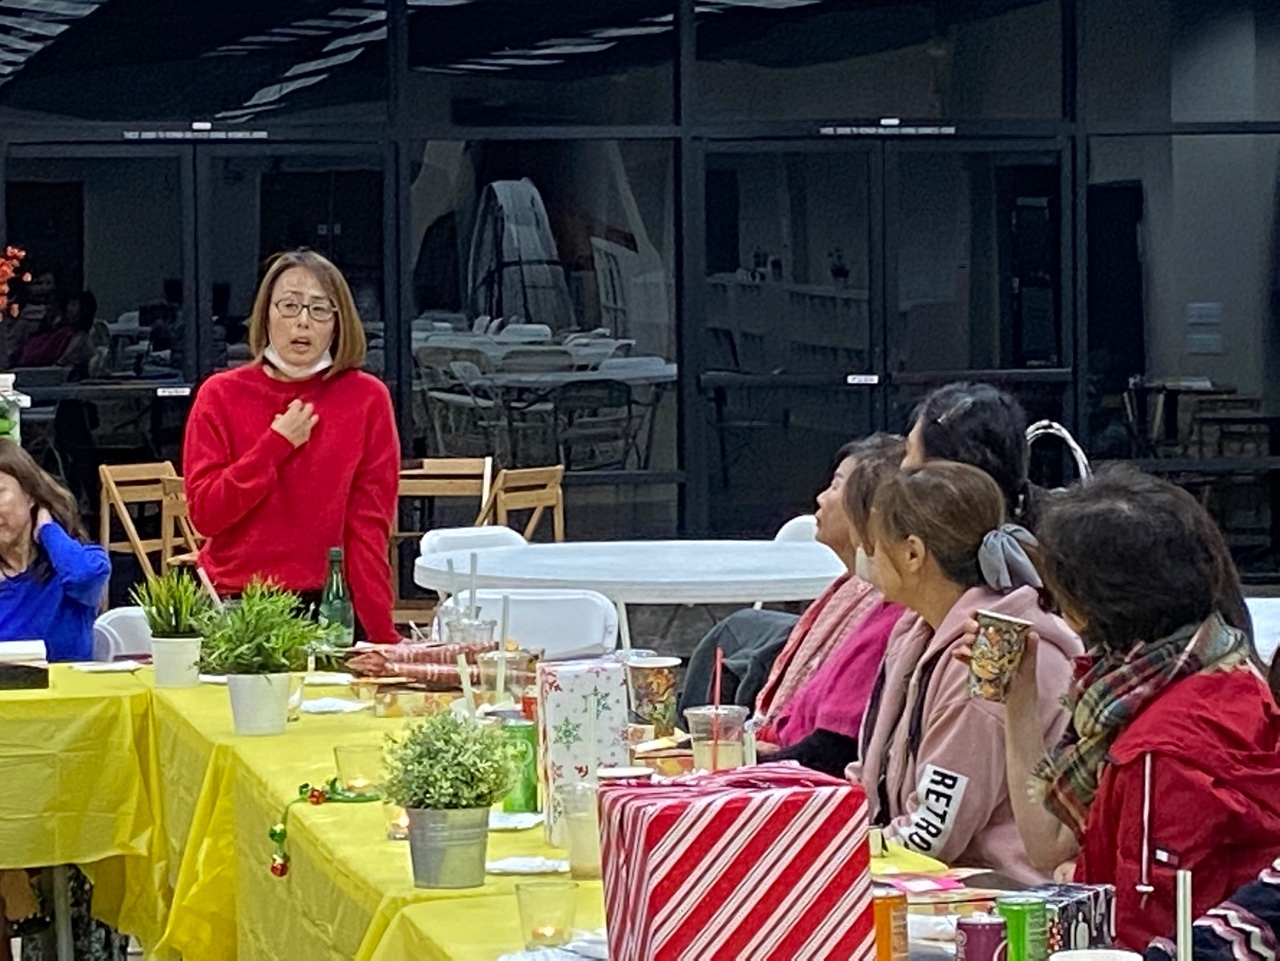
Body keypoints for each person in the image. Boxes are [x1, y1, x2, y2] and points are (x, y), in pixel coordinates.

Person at [984, 466, 1280, 949]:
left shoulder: (1158, 748)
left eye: (1056, 589)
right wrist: (1020, 698)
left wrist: (1083, 880)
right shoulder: (1224, 670)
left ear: (1091, 602)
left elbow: (1144, 932)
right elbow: (1048, 847)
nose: (1051, 604)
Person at [851, 460, 1082, 883]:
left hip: (998, 893)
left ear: (912, 554)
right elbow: (871, 777)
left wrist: (837, 853)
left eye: (874, 544)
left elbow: (934, 835)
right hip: (930, 875)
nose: (867, 556)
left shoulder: (989, 651)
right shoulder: (916, 630)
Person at [183, 249, 401, 642]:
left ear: (338, 322)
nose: (303, 321)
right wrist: (275, 445)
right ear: (266, 314)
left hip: (328, 605)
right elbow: (207, 515)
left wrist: (382, 634)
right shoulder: (220, 395)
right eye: (289, 305)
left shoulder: (367, 399)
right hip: (236, 602)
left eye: (320, 309)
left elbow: (368, 527)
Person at [680, 436, 893, 715]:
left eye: (836, 486)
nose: (820, 497)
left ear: (869, 508)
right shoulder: (853, 585)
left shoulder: (882, 608)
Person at [758, 433, 906, 776]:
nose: (821, 497)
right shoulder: (873, 599)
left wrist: (741, 762)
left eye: (837, 486)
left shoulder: (893, 616)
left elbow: (832, 751)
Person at [0, 438, 109, 662]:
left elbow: (86, 575)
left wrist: (48, 530)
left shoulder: (73, 563)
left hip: (69, 684)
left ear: (29, 494)